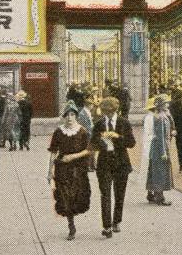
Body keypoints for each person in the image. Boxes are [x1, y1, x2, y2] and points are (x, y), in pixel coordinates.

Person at [90, 95, 135, 237]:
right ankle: (107, 226)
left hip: (121, 163)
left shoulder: (124, 123)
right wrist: (102, 141)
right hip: (104, 163)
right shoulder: (98, 124)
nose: (108, 115)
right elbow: (92, 144)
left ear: (115, 111)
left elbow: (131, 143)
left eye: (111, 112)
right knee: (105, 195)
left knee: (119, 195)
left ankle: (116, 221)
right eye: (105, 112)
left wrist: (117, 136)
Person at [48, 101, 91, 240]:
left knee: (76, 197)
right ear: (64, 116)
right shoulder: (59, 132)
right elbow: (53, 152)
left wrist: (73, 156)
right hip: (62, 169)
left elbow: (89, 150)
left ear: (76, 116)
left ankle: (72, 218)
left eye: (72, 114)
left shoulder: (82, 131)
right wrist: (49, 171)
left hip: (78, 170)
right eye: (67, 115)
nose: (70, 117)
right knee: (65, 197)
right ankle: (71, 225)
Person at [145, 95, 174, 205]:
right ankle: (160, 198)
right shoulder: (161, 118)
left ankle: (152, 195)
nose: (168, 104)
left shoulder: (160, 116)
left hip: (156, 148)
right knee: (160, 172)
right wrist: (163, 152)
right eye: (166, 103)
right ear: (162, 105)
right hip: (160, 148)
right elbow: (160, 136)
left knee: (155, 171)